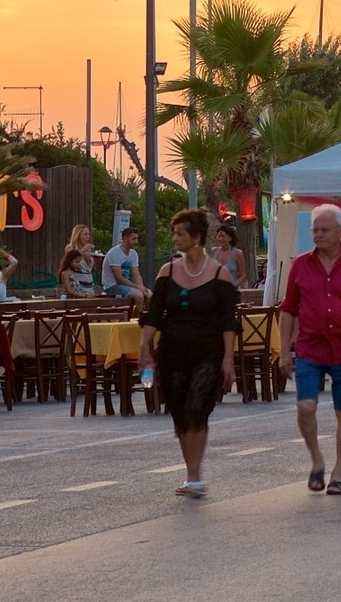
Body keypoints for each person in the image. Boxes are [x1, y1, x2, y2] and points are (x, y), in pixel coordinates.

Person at [278, 204, 341, 498]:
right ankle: (317, 460)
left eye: (324, 230)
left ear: (339, 233)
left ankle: (338, 474)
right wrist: (284, 350)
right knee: (305, 406)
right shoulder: (300, 265)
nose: (318, 235)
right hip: (310, 348)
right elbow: (288, 310)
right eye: (315, 230)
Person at [140, 209, 239, 498]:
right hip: (172, 351)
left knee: (198, 407)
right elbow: (154, 314)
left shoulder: (220, 275)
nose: (175, 238)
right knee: (180, 412)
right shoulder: (167, 272)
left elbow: (228, 321)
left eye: (180, 233)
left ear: (196, 238)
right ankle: (190, 473)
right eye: (174, 233)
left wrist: (228, 358)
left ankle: (195, 475)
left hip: (208, 350)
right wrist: (144, 347)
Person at [102, 226, 149, 303]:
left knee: (149, 295)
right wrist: (137, 288)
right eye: (133, 239)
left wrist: (142, 288)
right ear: (125, 239)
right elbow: (119, 279)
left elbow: (136, 275)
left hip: (125, 285)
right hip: (112, 286)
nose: (136, 241)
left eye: (137, 238)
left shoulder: (133, 253)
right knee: (139, 296)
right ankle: (137, 315)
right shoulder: (114, 253)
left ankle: (146, 314)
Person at [59, 226, 100, 298]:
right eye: (85, 234)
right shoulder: (70, 248)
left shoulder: (89, 249)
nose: (88, 237)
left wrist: (96, 260)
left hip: (89, 282)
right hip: (77, 283)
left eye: (89, 234)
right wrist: (83, 250)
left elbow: (89, 268)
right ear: (78, 236)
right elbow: (71, 261)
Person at [215, 222, 247, 288]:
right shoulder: (214, 251)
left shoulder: (237, 253)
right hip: (217, 291)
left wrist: (234, 285)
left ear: (230, 238)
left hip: (232, 291)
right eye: (219, 236)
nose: (220, 239)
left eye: (223, 236)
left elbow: (243, 275)